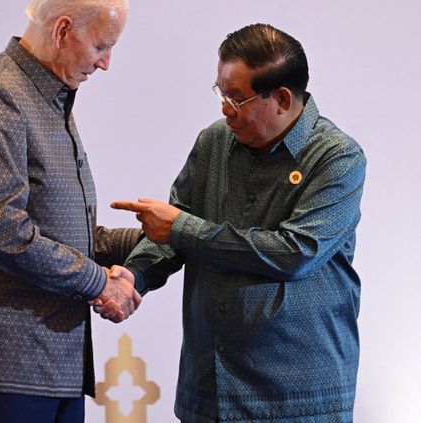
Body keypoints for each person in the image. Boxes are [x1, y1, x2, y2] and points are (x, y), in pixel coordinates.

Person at [111, 23, 367, 422]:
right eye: (221, 92)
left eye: (236, 97)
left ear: (281, 98)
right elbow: (170, 231)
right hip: (209, 389)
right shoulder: (213, 142)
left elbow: (295, 253)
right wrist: (133, 278)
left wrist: (182, 228)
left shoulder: (337, 158)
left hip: (296, 399)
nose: (224, 109)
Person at [0, 1, 141, 421]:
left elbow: (67, 235)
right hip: (0, 364)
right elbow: (3, 231)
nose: (106, 63)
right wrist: (98, 283)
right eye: (102, 46)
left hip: (49, 361)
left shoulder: (47, 97)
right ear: (63, 30)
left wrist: (160, 236)